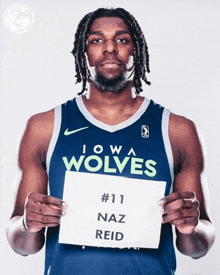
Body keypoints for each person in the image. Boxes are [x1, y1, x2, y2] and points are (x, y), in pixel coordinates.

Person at [6, 7, 215, 275]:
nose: (109, 48)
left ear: (136, 52)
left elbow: (197, 247)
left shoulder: (177, 130)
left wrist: (192, 227)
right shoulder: (45, 127)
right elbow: (21, 245)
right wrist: (27, 224)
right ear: (83, 56)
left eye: (122, 39)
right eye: (96, 40)